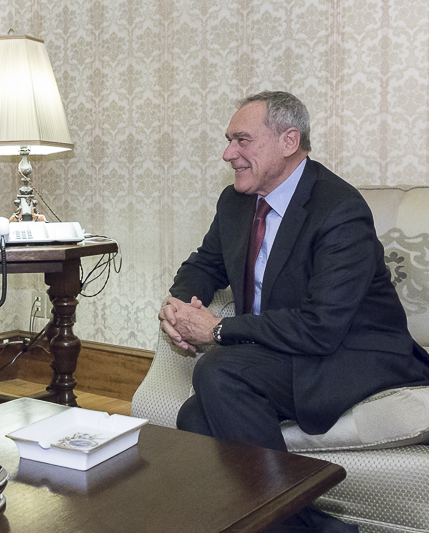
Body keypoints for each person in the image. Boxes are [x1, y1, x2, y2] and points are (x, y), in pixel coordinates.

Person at [159, 91, 429, 532]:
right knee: (193, 416)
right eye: (229, 140)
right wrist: (181, 306)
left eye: (242, 140)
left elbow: (322, 327)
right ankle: (305, 526)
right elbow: (203, 264)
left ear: (288, 141)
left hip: (352, 351)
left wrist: (220, 330)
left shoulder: (339, 209)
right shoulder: (235, 202)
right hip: (281, 346)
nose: (229, 154)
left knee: (217, 371)